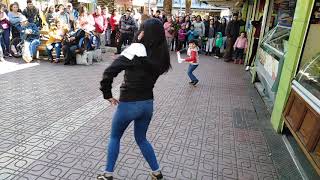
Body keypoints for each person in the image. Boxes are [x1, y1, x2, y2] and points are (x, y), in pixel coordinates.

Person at [97, 18, 171, 180]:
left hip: (128, 104)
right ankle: (156, 172)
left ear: (144, 32)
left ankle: (107, 174)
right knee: (142, 138)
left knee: (115, 137)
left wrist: (107, 94)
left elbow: (109, 72)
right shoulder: (161, 55)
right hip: (147, 104)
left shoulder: (135, 49)